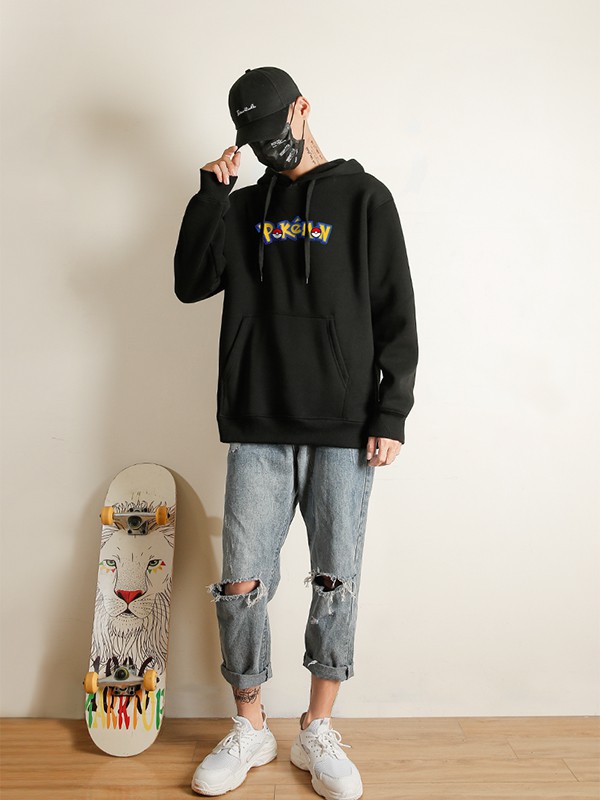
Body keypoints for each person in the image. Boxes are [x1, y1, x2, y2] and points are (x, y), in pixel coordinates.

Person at [173, 66, 418, 800]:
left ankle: (317, 728)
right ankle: (250, 724)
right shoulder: (245, 206)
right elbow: (191, 282)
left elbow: (396, 307)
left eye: (275, 127)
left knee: (336, 578)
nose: (268, 146)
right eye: (253, 138)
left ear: (302, 109)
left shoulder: (366, 198)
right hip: (259, 420)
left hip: (345, 425)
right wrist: (211, 196)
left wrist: (392, 411)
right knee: (241, 582)